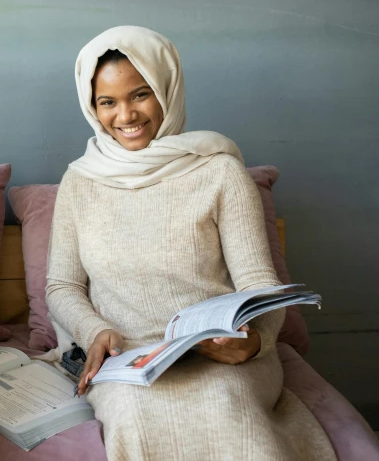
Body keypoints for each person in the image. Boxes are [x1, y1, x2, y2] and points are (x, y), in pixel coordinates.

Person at [45, 26, 335, 460]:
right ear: (93, 107)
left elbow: (259, 284)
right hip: (130, 358)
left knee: (228, 412)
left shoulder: (220, 172)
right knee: (134, 418)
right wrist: (95, 332)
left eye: (140, 94)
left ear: (168, 88)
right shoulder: (79, 182)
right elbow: (62, 286)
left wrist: (252, 344)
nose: (125, 115)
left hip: (220, 355)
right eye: (108, 102)